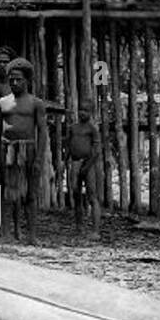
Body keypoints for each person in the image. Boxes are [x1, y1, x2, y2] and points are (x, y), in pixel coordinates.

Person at [0, 57, 49, 243]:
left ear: (27, 80)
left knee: (30, 194)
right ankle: (7, 233)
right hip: (6, 149)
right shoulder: (2, 103)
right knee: (7, 194)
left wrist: (39, 159)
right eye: (11, 79)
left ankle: (32, 236)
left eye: (19, 79)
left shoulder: (36, 103)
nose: (15, 82)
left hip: (28, 150)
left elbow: (42, 131)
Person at [66, 101, 103, 238]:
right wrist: (66, 163)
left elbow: (97, 151)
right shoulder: (73, 128)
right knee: (76, 195)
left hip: (89, 164)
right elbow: (69, 147)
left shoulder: (92, 129)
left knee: (92, 197)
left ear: (91, 113)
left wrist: (87, 167)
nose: (83, 113)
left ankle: (95, 231)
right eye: (81, 109)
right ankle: (79, 227)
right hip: (75, 163)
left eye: (86, 110)